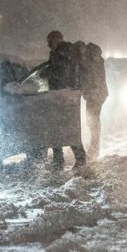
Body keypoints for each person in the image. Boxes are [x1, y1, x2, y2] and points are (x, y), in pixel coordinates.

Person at [44, 30, 87, 170]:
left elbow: (63, 72)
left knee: (68, 128)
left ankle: (81, 159)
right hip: (57, 95)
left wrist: (49, 72)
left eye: (50, 41)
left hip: (66, 96)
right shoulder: (56, 53)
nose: (48, 44)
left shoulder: (67, 52)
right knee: (56, 128)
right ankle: (58, 159)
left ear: (57, 40)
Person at [81, 43, 108, 160]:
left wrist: (88, 90)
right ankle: (94, 148)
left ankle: (94, 149)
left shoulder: (93, 61)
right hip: (97, 94)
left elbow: (92, 79)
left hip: (95, 95)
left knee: (93, 121)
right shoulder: (96, 60)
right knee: (92, 121)